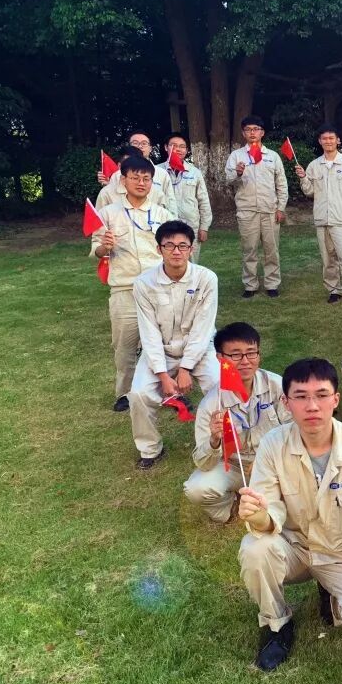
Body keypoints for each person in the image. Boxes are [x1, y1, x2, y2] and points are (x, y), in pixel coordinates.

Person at [237, 358, 342, 671]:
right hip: (294, 548)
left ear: (335, 400)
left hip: (341, 552)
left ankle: (331, 594)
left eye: (321, 395)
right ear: (286, 403)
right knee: (255, 548)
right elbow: (269, 511)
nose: (312, 406)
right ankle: (277, 625)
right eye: (300, 396)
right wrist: (257, 516)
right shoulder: (272, 445)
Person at [128, 221, 219, 469]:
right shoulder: (144, 283)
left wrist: (186, 368)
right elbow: (149, 332)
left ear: (191, 248)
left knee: (219, 387)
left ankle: (216, 442)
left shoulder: (206, 278)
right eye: (169, 245)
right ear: (159, 249)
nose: (176, 251)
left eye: (182, 246)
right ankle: (150, 449)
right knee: (139, 394)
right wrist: (162, 375)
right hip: (161, 350)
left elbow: (203, 327)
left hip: (200, 349)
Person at [90, 156, 176, 412]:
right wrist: (104, 247)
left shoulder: (162, 214)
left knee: (166, 342)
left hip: (158, 288)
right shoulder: (108, 214)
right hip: (124, 289)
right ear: (123, 180)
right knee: (124, 345)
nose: (141, 183)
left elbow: (174, 249)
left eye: (146, 178)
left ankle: (169, 391)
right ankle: (125, 393)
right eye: (135, 177)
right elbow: (95, 251)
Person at [184, 322, 292, 524]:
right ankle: (229, 506)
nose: (245, 361)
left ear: (259, 354)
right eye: (235, 355)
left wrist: (265, 460)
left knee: (302, 487)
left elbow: (296, 432)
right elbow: (202, 463)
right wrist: (214, 440)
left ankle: (268, 496)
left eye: (251, 353)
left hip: (273, 462)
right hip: (235, 466)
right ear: (220, 358)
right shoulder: (212, 404)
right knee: (197, 488)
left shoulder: (278, 387)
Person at [295, 125, 342, 304]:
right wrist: (303, 177)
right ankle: (334, 290)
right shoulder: (314, 165)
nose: (328, 141)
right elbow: (310, 192)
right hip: (322, 219)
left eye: (331, 138)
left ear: (338, 140)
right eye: (324, 138)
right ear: (320, 141)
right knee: (328, 258)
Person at [224, 116, 289, 298]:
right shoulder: (236, 156)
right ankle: (250, 285)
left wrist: (281, 208)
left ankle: (272, 284)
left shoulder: (272, 156)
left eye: (256, 129)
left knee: (271, 250)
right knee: (249, 250)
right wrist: (237, 173)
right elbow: (228, 180)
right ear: (243, 133)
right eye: (248, 129)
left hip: (270, 210)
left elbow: (281, 184)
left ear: (262, 132)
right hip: (247, 211)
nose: (252, 132)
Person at [158, 132, 213, 262]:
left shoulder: (194, 173)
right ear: (166, 147)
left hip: (190, 225)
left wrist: (204, 227)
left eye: (182, 146)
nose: (178, 149)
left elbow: (203, 200)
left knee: (191, 262)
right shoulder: (157, 171)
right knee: (164, 261)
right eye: (173, 145)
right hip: (164, 224)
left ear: (187, 150)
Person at [96, 131, 179, 216]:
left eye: (144, 143)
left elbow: (170, 202)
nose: (140, 146)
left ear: (150, 148)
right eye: (135, 143)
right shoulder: (116, 175)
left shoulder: (161, 175)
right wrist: (107, 184)